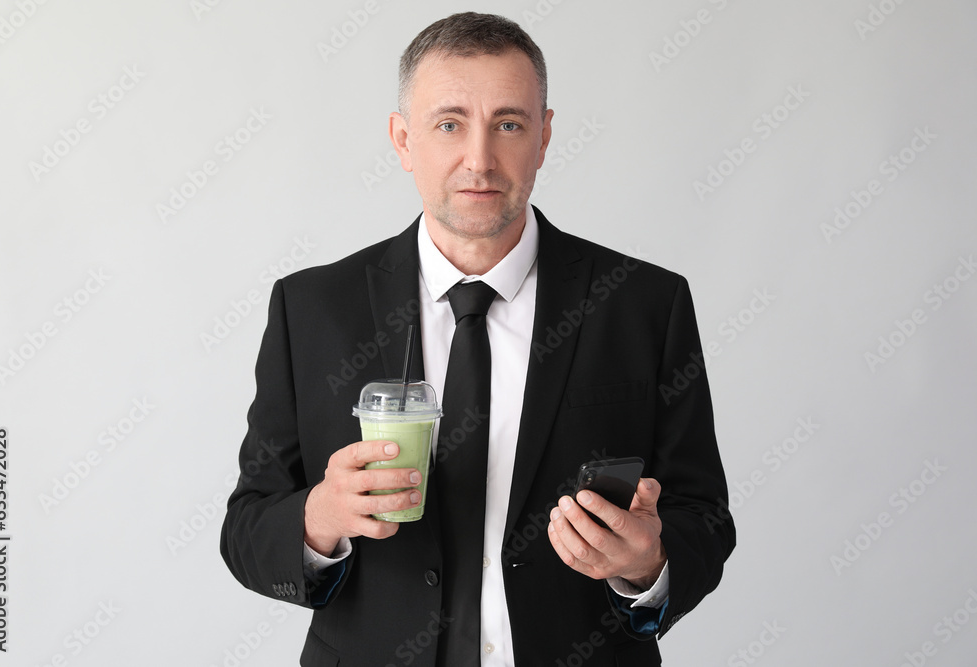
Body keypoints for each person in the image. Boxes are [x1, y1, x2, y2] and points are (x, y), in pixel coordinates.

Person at [221, 12, 734, 667]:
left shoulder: (643, 305)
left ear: (545, 137)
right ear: (403, 141)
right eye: (449, 124)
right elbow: (247, 528)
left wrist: (648, 563)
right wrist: (319, 516)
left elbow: (704, 518)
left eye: (509, 124)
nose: (480, 159)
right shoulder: (311, 307)